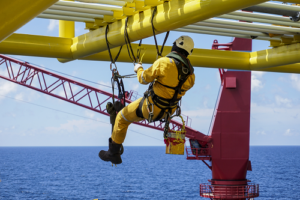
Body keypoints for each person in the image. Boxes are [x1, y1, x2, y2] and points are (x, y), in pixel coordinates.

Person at [99, 35, 196, 165]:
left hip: (149, 108)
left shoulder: (164, 62)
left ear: (175, 46)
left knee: (121, 118)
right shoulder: (191, 76)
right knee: (131, 113)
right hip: (167, 111)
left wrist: (138, 68)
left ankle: (113, 153)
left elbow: (143, 79)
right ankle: (117, 142)